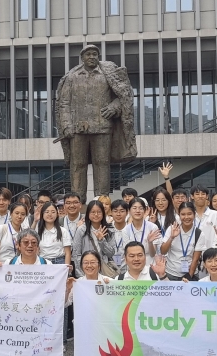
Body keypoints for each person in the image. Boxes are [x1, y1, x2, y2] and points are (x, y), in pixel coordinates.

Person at [56, 44, 136, 201]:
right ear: (82, 57)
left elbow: (123, 96)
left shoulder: (107, 74)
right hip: (77, 130)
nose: (92, 57)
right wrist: (66, 126)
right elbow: (63, 104)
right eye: (88, 54)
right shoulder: (72, 77)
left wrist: (114, 107)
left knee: (102, 164)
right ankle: (77, 202)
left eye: (94, 54)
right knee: (77, 165)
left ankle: (102, 201)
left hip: (102, 128)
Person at [68, 250, 112, 356]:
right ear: (81, 265)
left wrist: (112, 287)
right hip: (84, 322)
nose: (89, 265)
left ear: (99, 264)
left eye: (93, 262)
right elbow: (66, 303)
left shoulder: (108, 281)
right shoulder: (77, 283)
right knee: (82, 334)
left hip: (103, 321)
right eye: (86, 263)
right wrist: (67, 289)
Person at [160, 202, 208, 281]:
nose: (186, 217)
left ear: (194, 214)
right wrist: (171, 237)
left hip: (190, 274)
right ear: (179, 215)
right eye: (183, 214)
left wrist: (189, 276)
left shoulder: (199, 233)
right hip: (171, 273)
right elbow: (163, 251)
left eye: (189, 214)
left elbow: (195, 259)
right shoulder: (172, 229)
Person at [72, 200, 115, 277]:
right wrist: (82, 275)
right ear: (88, 213)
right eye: (93, 212)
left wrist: (102, 240)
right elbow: (76, 254)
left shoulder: (109, 229)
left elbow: (111, 253)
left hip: (104, 271)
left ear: (103, 213)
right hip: (86, 271)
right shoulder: (81, 230)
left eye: (99, 212)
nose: (96, 214)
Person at [126, 198, 161, 264]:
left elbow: (152, 254)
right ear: (129, 211)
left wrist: (150, 243)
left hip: (149, 264)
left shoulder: (152, 227)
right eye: (134, 208)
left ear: (145, 211)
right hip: (133, 264)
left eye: (141, 208)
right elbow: (127, 252)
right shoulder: (126, 230)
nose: (137, 211)